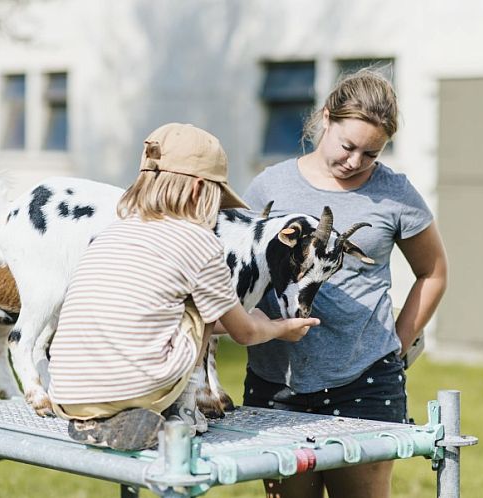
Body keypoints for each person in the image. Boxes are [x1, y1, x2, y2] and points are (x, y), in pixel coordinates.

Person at [47, 123, 319, 451]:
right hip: (137, 387)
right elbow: (244, 333)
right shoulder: (198, 241)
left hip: (66, 392)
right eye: (218, 199)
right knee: (200, 305)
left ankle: (97, 421)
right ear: (198, 190)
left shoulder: (114, 232)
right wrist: (278, 327)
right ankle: (184, 411)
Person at [242, 69, 448, 498]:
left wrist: (397, 343)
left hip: (366, 383)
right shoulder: (269, 187)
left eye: (371, 153)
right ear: (325, 119)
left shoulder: (396, 194)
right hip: (277, 380)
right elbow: (238, 272)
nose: (355, 162)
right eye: (348, 146)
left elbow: (433, 272)